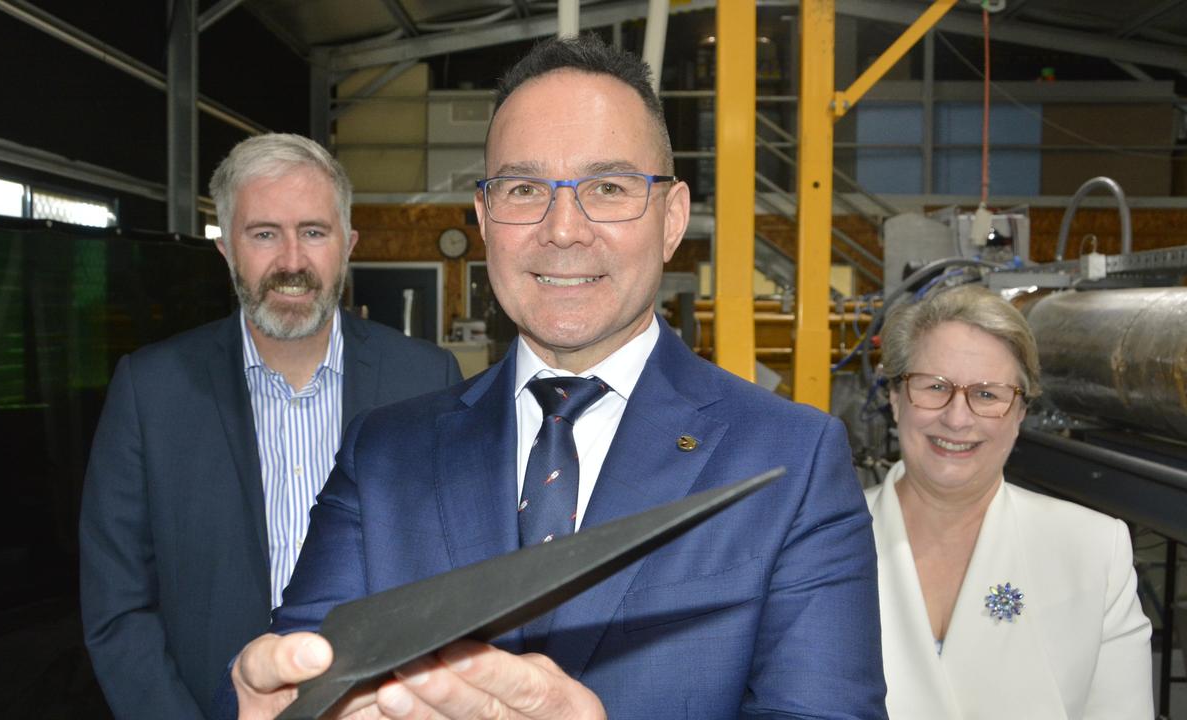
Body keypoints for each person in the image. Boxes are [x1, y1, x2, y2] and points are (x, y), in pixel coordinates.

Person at [227, 36, 886, 720]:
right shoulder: (384, 456)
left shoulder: (793, 460)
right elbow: (302, 675)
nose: (563, 229)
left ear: (672, 219)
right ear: (485, 222)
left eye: (607, 187)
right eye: (523, 189)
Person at [79, 133, 463, 720]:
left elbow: (454, 572)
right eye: (263, 234)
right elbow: (117, 607)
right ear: (227, 250)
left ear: (348, 244)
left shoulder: (426, 379)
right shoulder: (149, 391)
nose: (291, 262)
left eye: (313, 232)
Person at [868, 284, 1152, 718]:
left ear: (1020, 414)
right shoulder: (820, 541)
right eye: (934, 386)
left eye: (987, 395)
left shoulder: (1093, 549)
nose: (957, 418)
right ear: (894, 397)